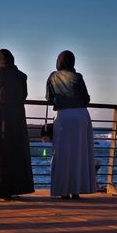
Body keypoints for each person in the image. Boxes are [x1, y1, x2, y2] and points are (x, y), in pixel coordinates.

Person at [0, 49, 35, 200]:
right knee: (14, 154)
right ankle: (11, 190)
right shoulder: (21, 76)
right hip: (17, 121)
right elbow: (23, 95)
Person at [46, 50, 96, 199]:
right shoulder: (77, 77)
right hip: (80, 115)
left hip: (63, 116)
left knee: (61, 154)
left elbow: (49, 98)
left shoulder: (52, 77)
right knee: (79, 153)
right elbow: (86, 98)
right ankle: (76, 190)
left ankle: (62, 191)